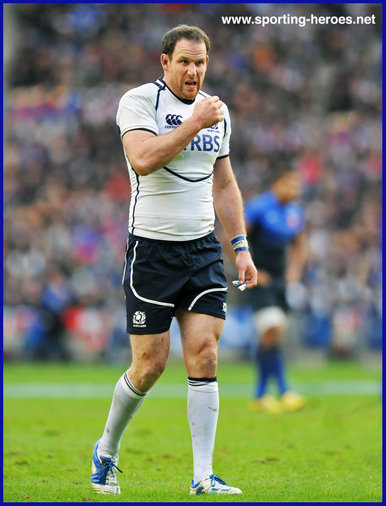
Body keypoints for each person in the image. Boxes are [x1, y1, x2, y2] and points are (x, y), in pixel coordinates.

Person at [90, 25, 257, 496]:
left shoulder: (217, 114)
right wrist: (194, 124)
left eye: (201, 62)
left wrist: (240, 246)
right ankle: (106, 450)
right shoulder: (140, 103)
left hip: (202, 249)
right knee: (150, 365)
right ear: (165, 62)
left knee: (204, 353)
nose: (193, 71)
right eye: (184, 61)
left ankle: (203, 475)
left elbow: (224, 183)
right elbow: (143, 158)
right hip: (152, 249)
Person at [244, 170, 307, 414]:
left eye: (297, 184)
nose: (295, 188)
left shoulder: (294, 212)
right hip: (257, 279)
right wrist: (250, 268)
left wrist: (296, 269)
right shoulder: (258, 207)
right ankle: (283, 390)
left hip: (281, 280)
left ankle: (261, 395)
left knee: (272, 334)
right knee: (273, 328)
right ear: (277, 182)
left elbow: (301, 243)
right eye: (290, 182)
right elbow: (233, 239)